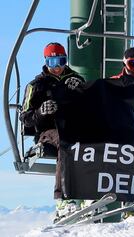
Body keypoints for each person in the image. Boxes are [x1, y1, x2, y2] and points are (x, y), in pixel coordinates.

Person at [19, 42, 85, 222]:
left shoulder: (76, 80)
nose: (57, 67)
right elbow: (25, 118)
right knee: (66, 141)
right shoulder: (37, 85)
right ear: (46, 62)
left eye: (61, 61)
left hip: (74, 128)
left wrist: (80, 91)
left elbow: (89, 107)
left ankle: (90, 193)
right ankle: (64, 199)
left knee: (95, 142)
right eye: (52, 62)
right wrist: (41, 112)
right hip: (49, 132)